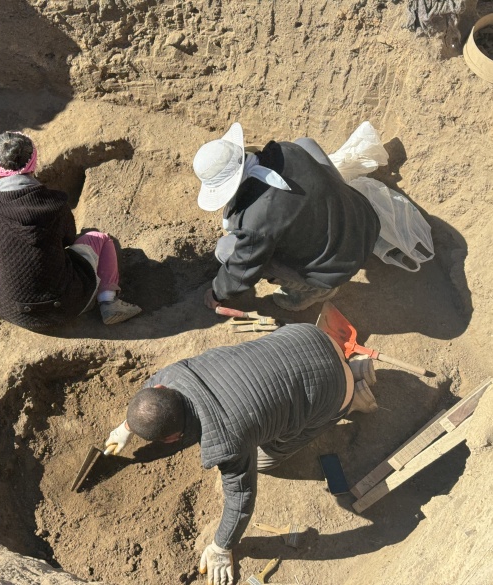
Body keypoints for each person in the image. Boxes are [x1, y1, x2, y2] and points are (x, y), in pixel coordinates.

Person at [104, 323, 378, 585]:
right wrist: (128, 426)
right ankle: (355, 368)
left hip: (332, 391)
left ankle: (354, 396)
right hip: (309, 335)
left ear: (173, 438)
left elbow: (241, 498)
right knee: (291, 388)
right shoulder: (173, 375)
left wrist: (222, 546)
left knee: (264, 459)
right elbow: (151, 398)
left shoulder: (229, 440)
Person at [193, 123, 381, 312]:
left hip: (337, 266)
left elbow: (240, 271)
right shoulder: (285, 150)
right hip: (365, 220)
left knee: (226, 249)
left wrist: (217, 292)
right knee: (305, 144)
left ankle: (318, 289)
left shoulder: (255, 222)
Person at [0, 131, 141, 330]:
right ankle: (108, 301)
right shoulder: (56, 202)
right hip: (69, 305)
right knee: (101, 238)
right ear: (33, 162)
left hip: (12, 310)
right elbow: (69, 239)